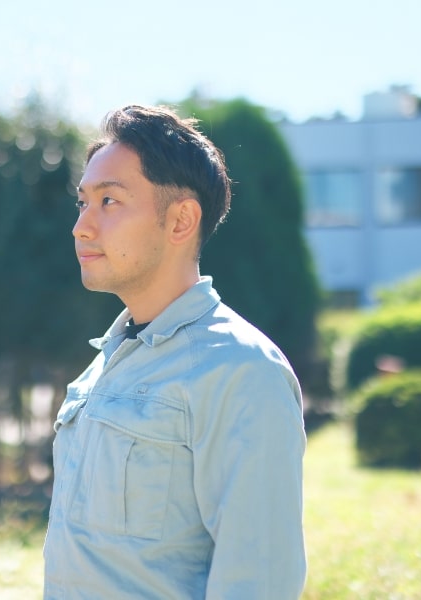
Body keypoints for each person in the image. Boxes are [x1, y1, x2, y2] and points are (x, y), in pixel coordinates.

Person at [43, 104, 306, 599]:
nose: (81, 227)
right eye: (82, 203)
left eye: (109, 201)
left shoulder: (242, 369)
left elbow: (260, 580)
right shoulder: (106, 361)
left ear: (181, 220)